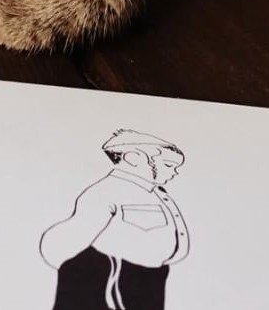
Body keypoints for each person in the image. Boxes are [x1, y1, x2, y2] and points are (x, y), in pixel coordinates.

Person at [40, 130, 190, 310]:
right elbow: (67, 240)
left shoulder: (157, 193)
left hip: (150, 278)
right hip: (118, 277)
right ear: (134, 158)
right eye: (168, 165)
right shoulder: (106, 191)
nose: (174, 172)